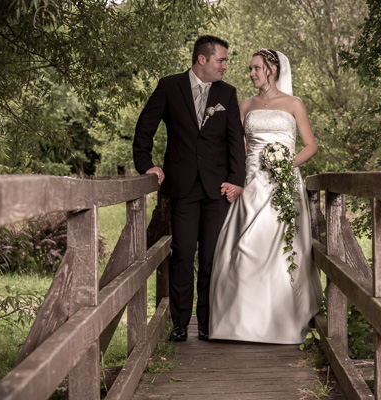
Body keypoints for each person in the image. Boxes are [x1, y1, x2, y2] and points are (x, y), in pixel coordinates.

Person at [133, 35, 246, 341]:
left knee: (211, 257)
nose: (225, 65)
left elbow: (235, 140)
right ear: (202, 59)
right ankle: (181, 324)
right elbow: (144, 129)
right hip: (182, 187)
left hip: (218, 189)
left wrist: (237, 179)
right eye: (221, 59)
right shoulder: (170, 86)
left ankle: (209, 324)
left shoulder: (228, 93)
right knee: (182, 253)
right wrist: (146, 165)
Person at [208, 49, 323, 344]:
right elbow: (239, 148)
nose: (251, 74)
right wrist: (239, 179)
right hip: (252, 181)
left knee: (282, 247)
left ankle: (281, 321)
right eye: (250, 69)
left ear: (272, 69)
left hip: (283, 182)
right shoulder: (244, 105)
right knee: (246, 246)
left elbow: (310, 146)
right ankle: (240, 322)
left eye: (257, 68)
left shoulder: (294, 103)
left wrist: (285, 164)